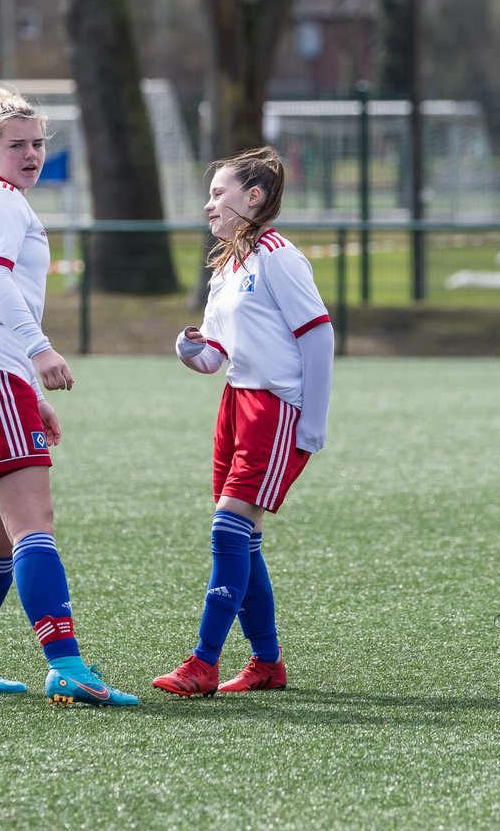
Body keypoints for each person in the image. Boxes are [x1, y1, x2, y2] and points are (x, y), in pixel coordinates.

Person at [0, 84, 138, 707]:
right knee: (32, 526)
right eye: (16, 143)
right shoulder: (0, 201)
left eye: (38, 142)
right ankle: (66, 664)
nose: (31, 153)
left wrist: (22, 381)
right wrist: (37, 351)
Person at [153, 146, 334, 697]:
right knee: (242, 538)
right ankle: (267, 664)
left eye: (218, 194)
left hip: (276, 410)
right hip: (235, 406)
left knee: (228, 529)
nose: (209, 205)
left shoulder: (278, 256)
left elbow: (319, 336)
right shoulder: (227, 266)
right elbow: (214, 357)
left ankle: (203, 663)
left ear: (253, 198)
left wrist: (313, 423)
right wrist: (188, 349)